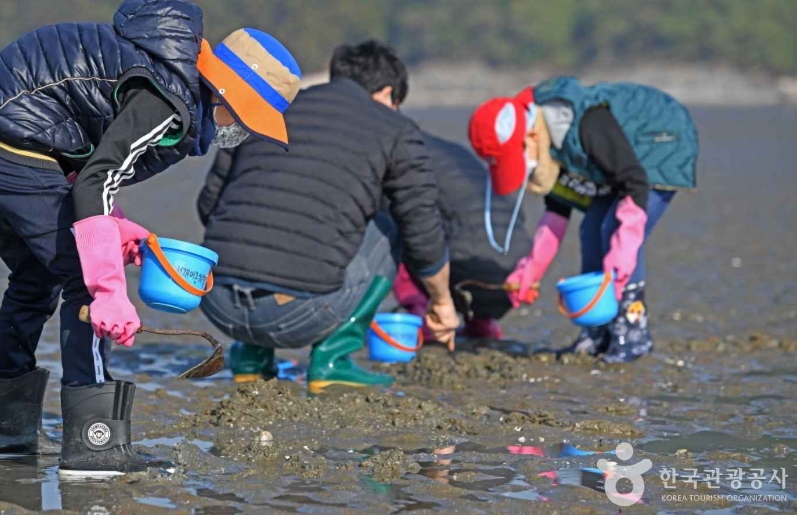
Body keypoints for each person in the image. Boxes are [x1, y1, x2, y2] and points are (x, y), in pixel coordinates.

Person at [0, 0, 301, 476]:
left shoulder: (169, 79)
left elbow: (90, 173)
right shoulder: (167, 101)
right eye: (244, 120)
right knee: (81, 281)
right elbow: (97, 177)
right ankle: (96, 448)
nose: (240, 133)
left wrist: (118, 229)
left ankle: (5, 434)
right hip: (13, 141)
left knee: (36, 275)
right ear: (225, 96)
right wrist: (109, 292)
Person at [196, 40, 460, 393]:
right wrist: (441, 301)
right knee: (393, 222)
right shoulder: (396, 129)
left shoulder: (272, 109)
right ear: (386, 94)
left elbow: (209, 203)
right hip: (298, 314)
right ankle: (334, 358)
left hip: (217, 302)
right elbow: (422, 225)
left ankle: (251, 356)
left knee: (261, 219)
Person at [468, 76, 698, 362]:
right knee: (591, 229)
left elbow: (635, 183)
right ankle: (596, 331)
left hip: (659, 144)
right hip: (617, 167)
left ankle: (632, 335)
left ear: (531, 136)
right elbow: (557, 211)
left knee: (614, 230)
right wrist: (530, 271)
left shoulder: (587, 124)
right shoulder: (549, 144)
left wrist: (619, 264)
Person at [392, 130, 533, 342]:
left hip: (467, 270)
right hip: (520, 273)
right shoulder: (454, 150)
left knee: (397, 222)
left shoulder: (401, 154)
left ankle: (421, 311)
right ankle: (481, 323)